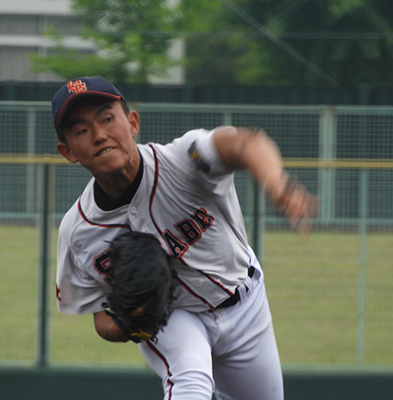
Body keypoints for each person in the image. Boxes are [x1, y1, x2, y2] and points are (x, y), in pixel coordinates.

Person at [52, 76, 318, 400]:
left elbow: (248, 144)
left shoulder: (184, 159)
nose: (99, 135)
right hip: (173, 316)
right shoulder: (78, 233)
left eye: (107, 118)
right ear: (67, 151)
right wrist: (129, 320)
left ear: (132, 122)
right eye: (81, 130)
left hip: (245, 303)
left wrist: (279, 187)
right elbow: (99, 318)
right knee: (190, 382)